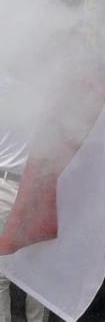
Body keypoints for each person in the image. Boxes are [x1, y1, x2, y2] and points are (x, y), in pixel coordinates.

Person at [0, 71, 50, 322]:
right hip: (38, 187)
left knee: (0, 273)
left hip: (7, 184)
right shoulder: (44, 88)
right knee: (36, 271)